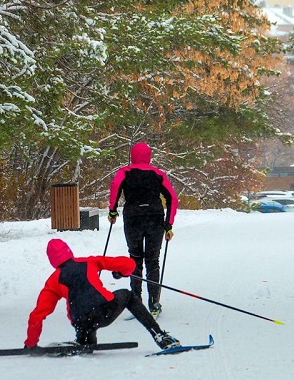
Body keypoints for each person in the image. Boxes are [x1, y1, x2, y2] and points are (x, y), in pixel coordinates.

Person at [24, 239, 180, 350]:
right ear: (69, 252)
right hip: (104, 311)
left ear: (52, 261)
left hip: (81, 322)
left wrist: (31, 343)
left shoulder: (53, 280)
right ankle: (159, 335)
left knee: (84, 319)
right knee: (128, 295)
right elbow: (129, 264)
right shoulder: (89, 261)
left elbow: (37, 315)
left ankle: (84, 341)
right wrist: (121, 272)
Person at [108, 142, 178, 316]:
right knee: (153, 260)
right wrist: (168, 224)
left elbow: (115, 187)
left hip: (133, 218)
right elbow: (172, 198)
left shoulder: (125, 172)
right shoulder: (158, 174)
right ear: (149, 156)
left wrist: (112, 210)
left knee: (135, 258)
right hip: (155, 218)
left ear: (132, 156)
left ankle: (136, 302)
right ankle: (154, 302)